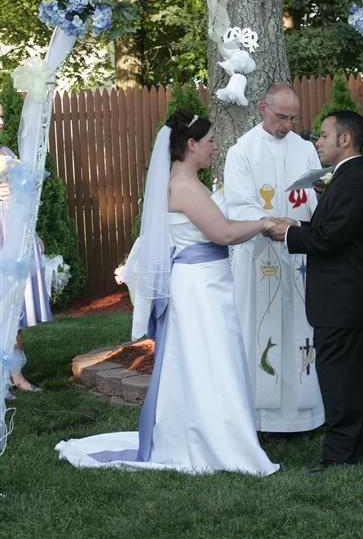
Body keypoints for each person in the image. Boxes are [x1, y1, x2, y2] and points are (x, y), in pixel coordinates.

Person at [56, 109, 279, 475]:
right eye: (210, 141)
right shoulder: (185, 186)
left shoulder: (184, 180)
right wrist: (264, 223)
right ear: (191, 144)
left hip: (205, 281)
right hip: (200, 287)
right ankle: (218, 441)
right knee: (210, 358)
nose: (214, 147)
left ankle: (209, 432)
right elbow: (222, 233)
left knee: (205, 359)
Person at [269, 110, 363, 471]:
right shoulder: (350, 177)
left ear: (344, 139)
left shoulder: (350, 181)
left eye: (323, 135)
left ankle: (341, 455)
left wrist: (288, 234)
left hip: (342, 298)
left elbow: (330, 239)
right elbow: (333, 228)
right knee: (356, 375)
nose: (317, 141)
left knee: (338, 377)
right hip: (349, 295)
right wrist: (298, 224)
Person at [224, 82, 325, 435]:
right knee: (260, 330)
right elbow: (239, 204)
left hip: (299, 257)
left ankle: (305, 414)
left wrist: (300, 221)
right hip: (259, 256)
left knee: (301, 330)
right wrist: (270, 224)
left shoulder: (305, 149)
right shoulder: (242, 151)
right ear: (263, 109)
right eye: (281, 117)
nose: (288, 125)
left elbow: (313, 199)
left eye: (293, 118)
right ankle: (261, 418)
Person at [0, 137, 52, 396]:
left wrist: (34, 233)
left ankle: (15, 374)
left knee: (15, 306)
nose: (1, 121)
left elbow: (21, 198)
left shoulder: (6, 151)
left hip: (14, 228)